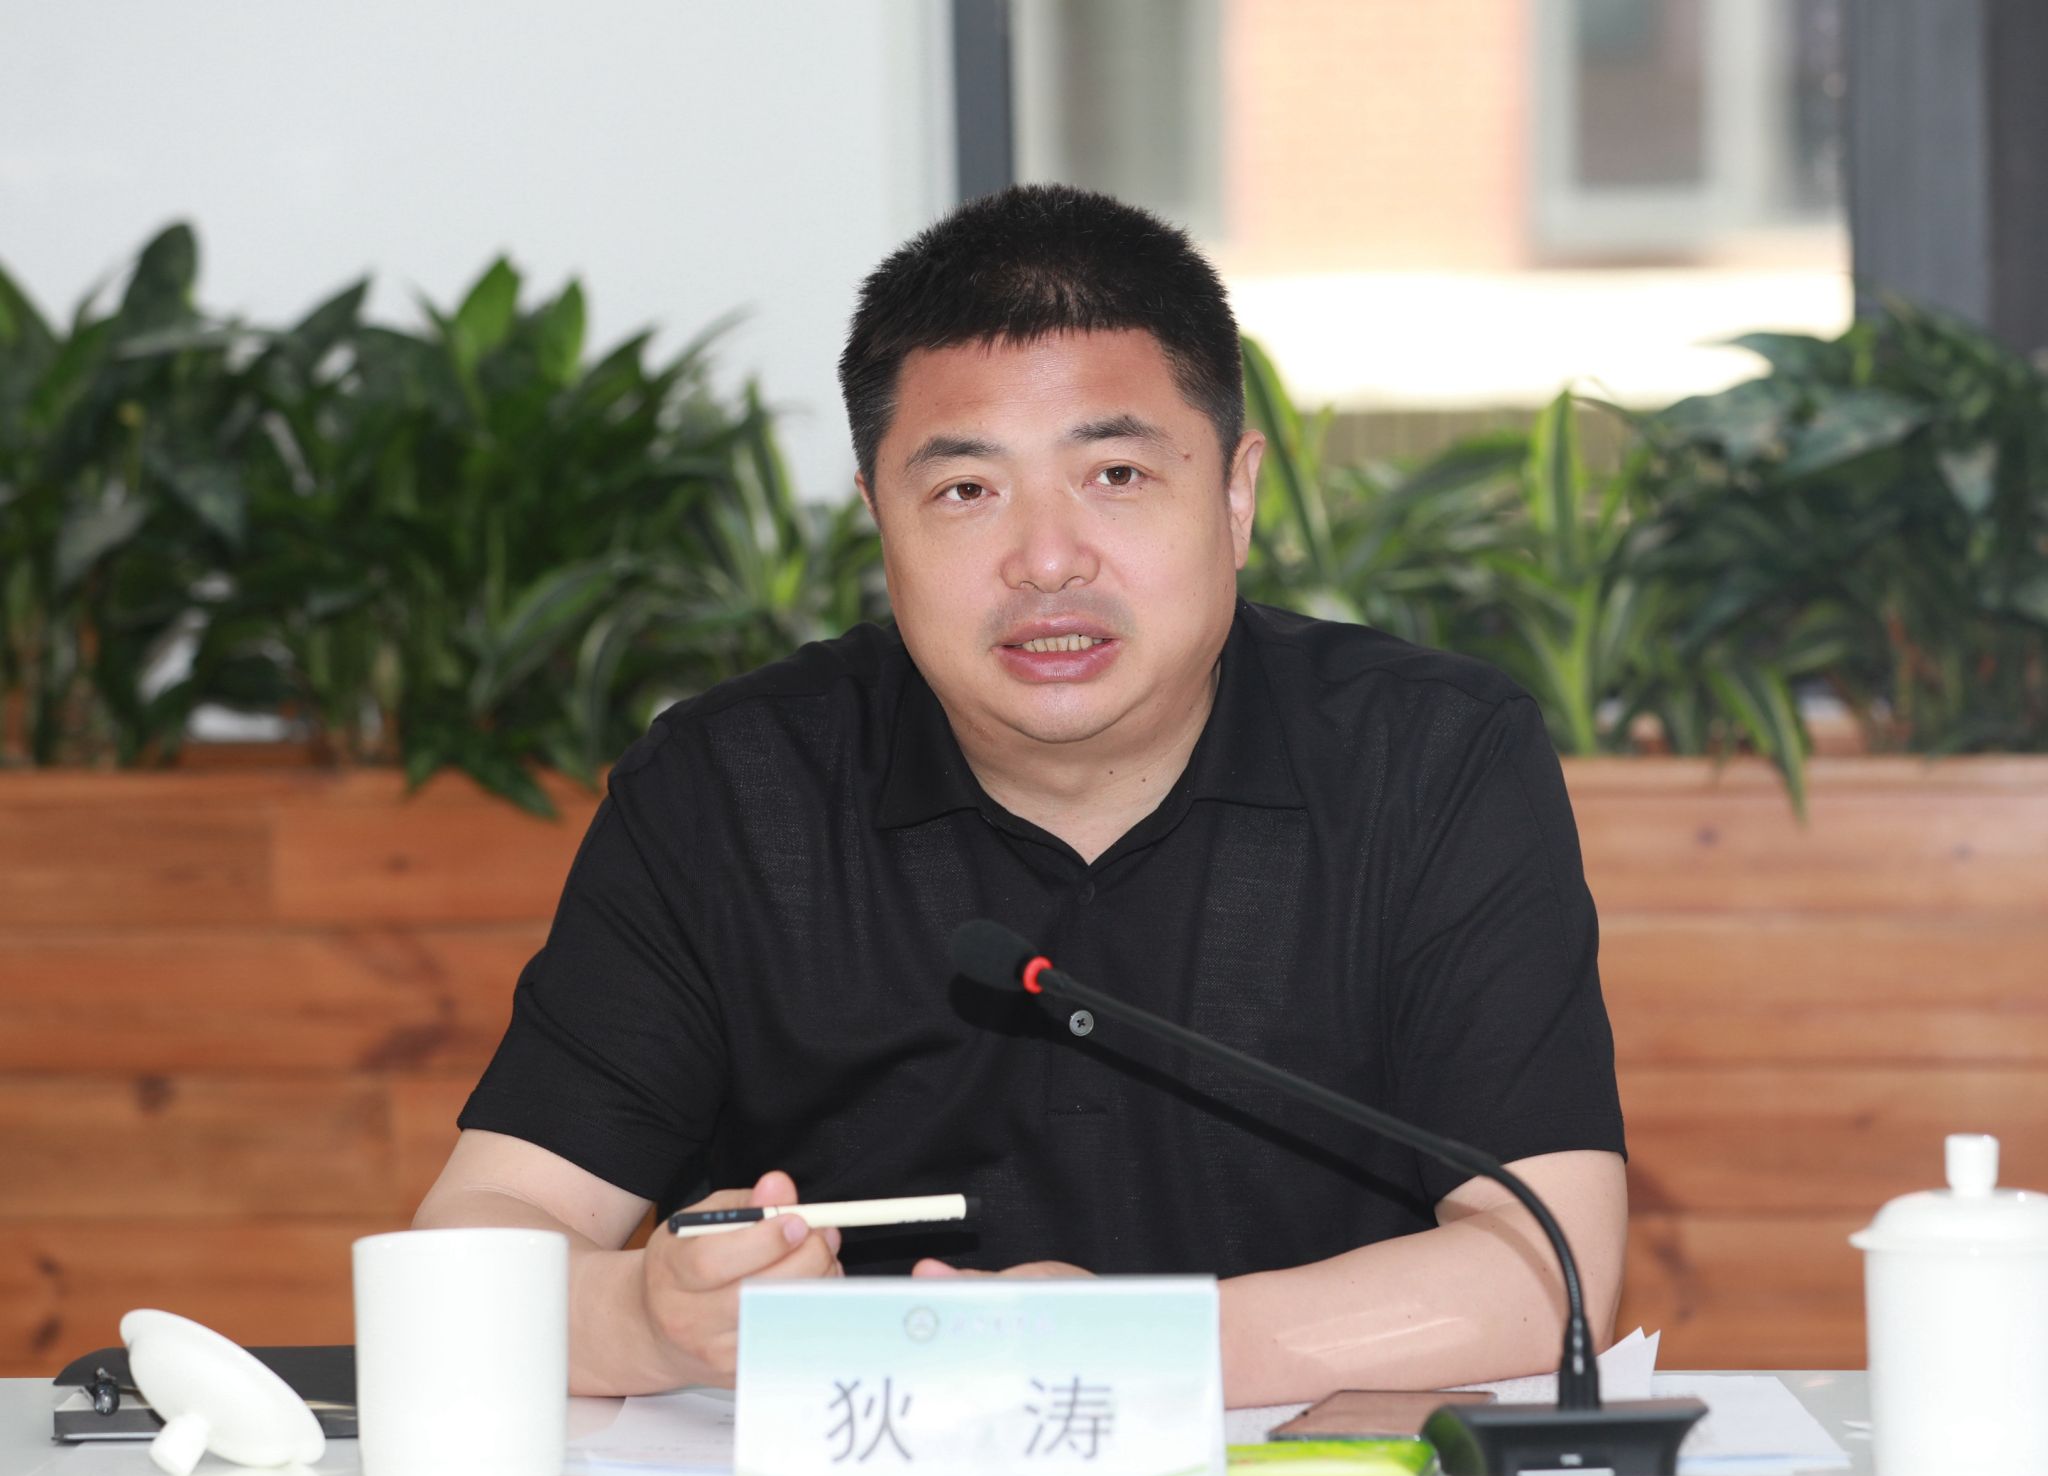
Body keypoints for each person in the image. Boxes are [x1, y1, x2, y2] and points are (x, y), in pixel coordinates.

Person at [414, 185, 1627, 1408]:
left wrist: (1126, 1346)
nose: (1046, 561)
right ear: (877, 519)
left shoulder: (1426, 757)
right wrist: (649, 1318)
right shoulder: (730, 791)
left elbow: (1545, 1265)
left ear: (1235, 492)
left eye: (1115, 472)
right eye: (965, 491)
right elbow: (476, 1238)